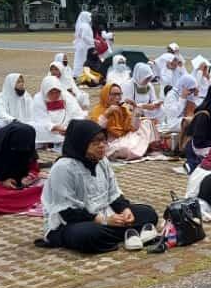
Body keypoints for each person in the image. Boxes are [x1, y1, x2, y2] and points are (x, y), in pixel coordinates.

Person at [40, 120, 160, 254]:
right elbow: (67, 212)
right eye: (95, 142)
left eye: (103, 141)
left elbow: (114, 193)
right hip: (70, 223)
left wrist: (125, 210)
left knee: (148, 213)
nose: (102, 146)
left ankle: (120, 233)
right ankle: (129, 232)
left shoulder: (102, 161)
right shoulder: (63, 168)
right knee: (88, 235)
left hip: (106, 214)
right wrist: (104, 221)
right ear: (81, 143)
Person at [89, 82, 160, 160]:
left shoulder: (122, 109)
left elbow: (133, 128)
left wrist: (135, 108)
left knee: (147, 123)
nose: (117, 97)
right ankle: (139, 149)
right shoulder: (98, 110)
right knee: (123, 149)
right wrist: (107, 114)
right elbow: (95, 131)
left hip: (125, 137)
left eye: (119, 94)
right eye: (114, 94)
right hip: (111, 142)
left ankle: (143, 148)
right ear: (105, 95)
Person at [32, 75, 85, 140]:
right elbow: (41, 119)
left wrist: (69, 127)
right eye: (51, 92)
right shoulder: (38, 98)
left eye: (57, 92)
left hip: (67, 126)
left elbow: (76, 113)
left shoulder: (66, 96)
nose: (55, 95)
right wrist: (55, 127)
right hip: (49, 128)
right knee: (35, 128)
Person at [72, 11, 95, 78]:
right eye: (89, 16)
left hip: (81, 46)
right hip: (85, 46)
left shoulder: (82, 25)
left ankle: (77, 74)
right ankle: (81, 74)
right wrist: (93, 41)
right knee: (83, 60)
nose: (90, 18)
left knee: (79, 60)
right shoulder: (85, 25)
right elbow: (84, 36)